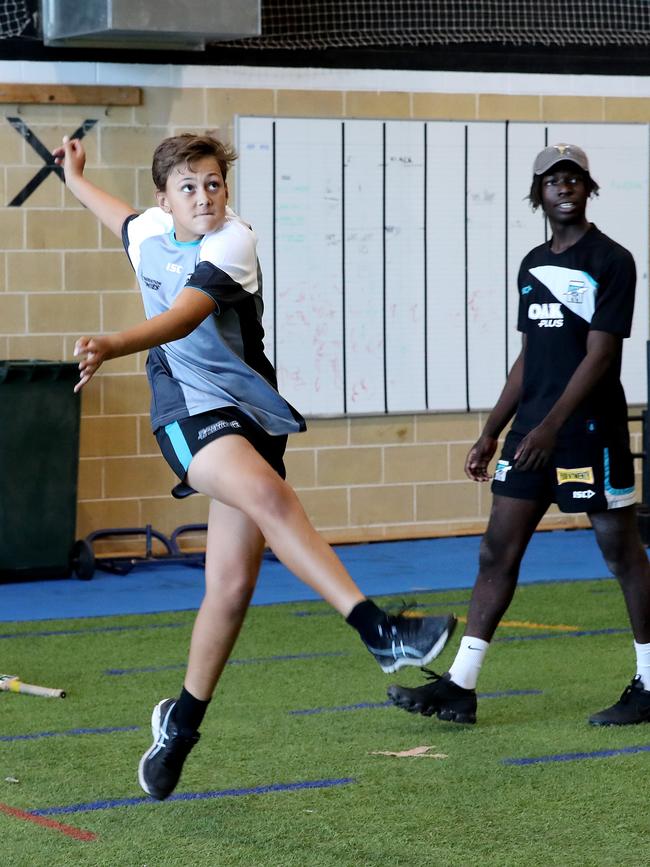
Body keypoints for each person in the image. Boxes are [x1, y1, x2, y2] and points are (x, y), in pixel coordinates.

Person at [53, 132, 456, 800]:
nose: (204, 196)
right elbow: (117, 215)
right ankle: (378, 628)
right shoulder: (149, 230)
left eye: (214, 183)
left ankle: (180, 722)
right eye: (189, 187)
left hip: (251, 414)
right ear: (166, 200)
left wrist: (113, 341)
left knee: (232, 590)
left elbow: (183, 317)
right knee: (269, 497)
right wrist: (73, 177)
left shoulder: (233, 242)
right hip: (185, 410)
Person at [387, 143, 650, 727]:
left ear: (589, 187)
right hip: (531, 434)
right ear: (539, 193)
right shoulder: (532, 264)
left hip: (586, 432)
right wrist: (491, 430)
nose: (564, 187)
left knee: (622, 553)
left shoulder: (612, 260)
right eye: (553, 180)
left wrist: (553, 426)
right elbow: (530, 357)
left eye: (574, 178)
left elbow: (602, 355)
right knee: (495, 550)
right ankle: (461, 684)